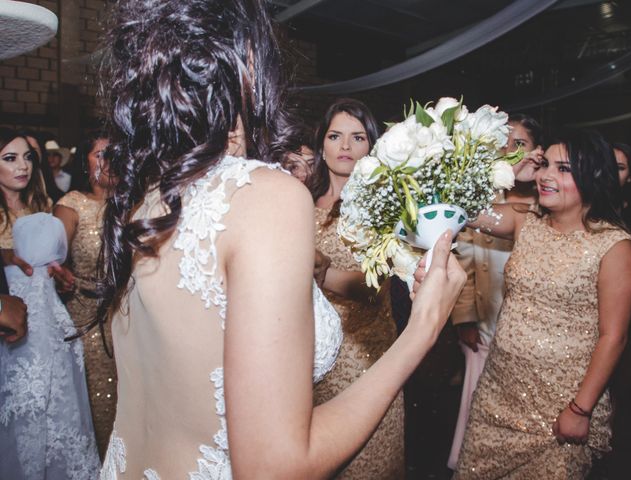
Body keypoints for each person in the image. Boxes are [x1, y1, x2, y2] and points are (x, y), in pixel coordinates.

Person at [96, 1, 465, 478]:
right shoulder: (263, 197)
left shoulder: (138, 197)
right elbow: (276, 468)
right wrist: (423, 329)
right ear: (248, 63)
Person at [453, 130, 631, 479]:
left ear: (594, 176)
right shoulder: (525, 222)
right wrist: (508, 170)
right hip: (496, 396)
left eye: (563, 168)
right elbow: (458, 207)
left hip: (558, 411)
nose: (546, 176)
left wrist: (580, 410)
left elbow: (613, 337)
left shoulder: (614, 247)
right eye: (544, 165)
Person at [308, 98, 405, 479]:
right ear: (321, 145)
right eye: (335, 136)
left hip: (364, 358)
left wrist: (316, 272)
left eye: (357, 137)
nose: (345, 147)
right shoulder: (299, 201)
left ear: (372, 146)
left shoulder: (385, 209)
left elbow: (373, 288)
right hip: (307, 361)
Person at [0, 128, 100, 478]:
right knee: (18, 415)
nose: (22, 166)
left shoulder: (43, 208)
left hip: (50, 326)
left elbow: (51, 267)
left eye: (27, 157)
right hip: (9, 333)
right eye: (9, 158)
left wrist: (61, 274)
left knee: (57, 416)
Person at [447, 113, 543, 469]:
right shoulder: (483, 198)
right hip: (484, 321)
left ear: (538, 153)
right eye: (505, 143)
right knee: (478, 406)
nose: (511, 151)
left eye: (521, 144)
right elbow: (464, 258)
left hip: (528, 326)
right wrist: (465, 316)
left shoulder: (549, 200)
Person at [54, 132, 117, 459]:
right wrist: (59, 272)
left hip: (128, 321)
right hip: (86, 321)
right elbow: (53, 255)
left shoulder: (135, 203)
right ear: (85, 161)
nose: (108, 161)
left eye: (115, 154)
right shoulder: (72, 204)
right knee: (96, 403)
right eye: (100, 155)